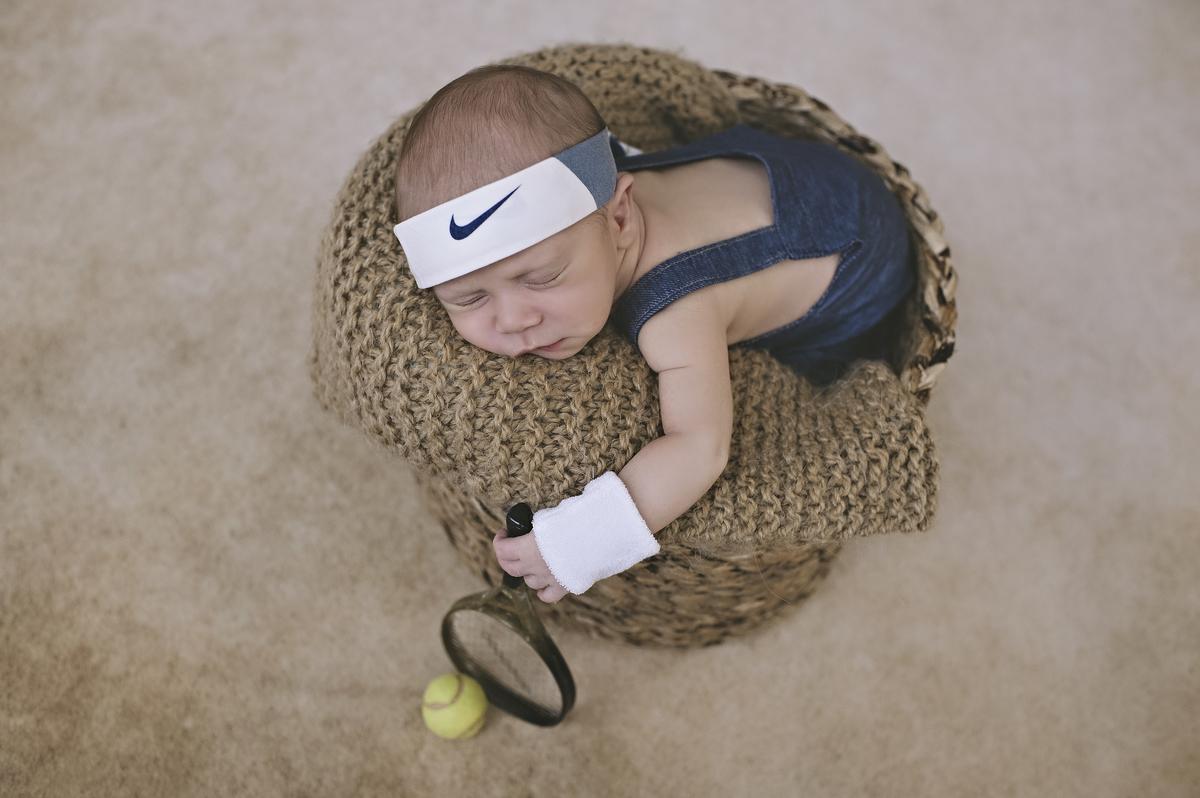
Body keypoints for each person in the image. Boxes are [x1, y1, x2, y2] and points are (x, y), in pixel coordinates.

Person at [393, 64, 913, 604]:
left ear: (620, 220)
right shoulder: (589, 198)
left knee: (790, 377)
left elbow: (700, 448)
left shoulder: (675, 310)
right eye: (469, 298)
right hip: (797, 176)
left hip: (860, 265)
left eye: (543, 278)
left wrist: (576, 542)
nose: (514, 320)